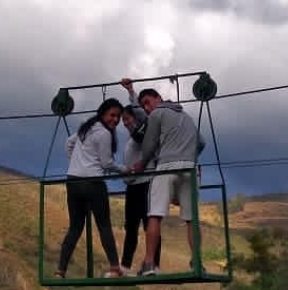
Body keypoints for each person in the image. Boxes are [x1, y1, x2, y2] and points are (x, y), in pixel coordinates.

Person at [129, 86, 206, 277]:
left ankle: (149, 264)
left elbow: (149, 143)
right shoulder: (186, 117)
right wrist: (191, 157)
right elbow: (202, 142)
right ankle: (197, 262)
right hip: (190, 168)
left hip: (166, 166)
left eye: (148, 102)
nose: (147, 108)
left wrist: (142, 163)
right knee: (191, 218)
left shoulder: (157, 114)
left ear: (159, 98)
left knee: (154, 214)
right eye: (143, 105)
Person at [56, 98, 126, 279]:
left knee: (75, 227)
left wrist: (75, 162)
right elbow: (106, 163)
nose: (115, 120)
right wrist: (125, 169)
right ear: (103, 113)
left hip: (73, 181)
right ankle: (114, 267)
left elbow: (68, 143)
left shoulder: (85, 127)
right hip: (93, 182)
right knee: (103, 225)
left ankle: (60, 270)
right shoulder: (104, 134)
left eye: (118, 116)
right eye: (113, 115)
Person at [118, 78, 162, 273]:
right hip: (133, 186)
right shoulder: (129, 143)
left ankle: (154, 264)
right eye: (123, 121)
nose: (126, 123)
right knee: (131, 227)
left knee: (149, 225)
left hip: (147, 184)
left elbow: (142, 116)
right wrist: (126, 176)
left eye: (128, 119)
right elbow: (128, 167)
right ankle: (125, 266)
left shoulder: (144, 134)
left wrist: (131, 91)